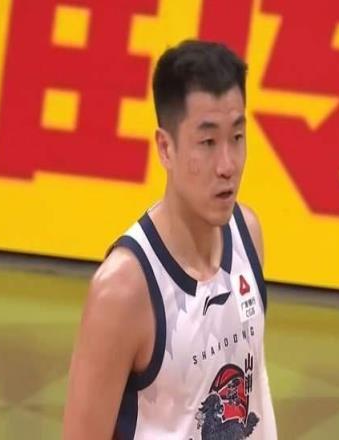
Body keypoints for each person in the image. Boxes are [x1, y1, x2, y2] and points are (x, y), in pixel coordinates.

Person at [63, 39, 277, 440]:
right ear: (166, 147)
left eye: (237, 137)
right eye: (207, 142)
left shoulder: (248, 236)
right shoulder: (124, 291)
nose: (227, 165)